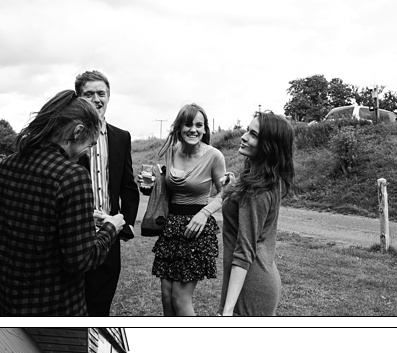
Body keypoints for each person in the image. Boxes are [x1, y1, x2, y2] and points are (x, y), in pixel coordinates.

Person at [0, 90, 126, 315]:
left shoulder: (5, 166)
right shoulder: (71, 176)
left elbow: (30, 224)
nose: (86, 154)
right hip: (52, 309)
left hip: (3, 304)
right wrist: (111, 228)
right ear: (78, 131)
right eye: (89, 144)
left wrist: (81, 219)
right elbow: (81, 261)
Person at [144, 104, 230, 316]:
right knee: (166, 296)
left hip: (197, 228)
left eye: (199, 125)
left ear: (205, 129)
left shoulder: (214, 156)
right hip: (171, 228)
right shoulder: (171, 152)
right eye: (188, 124)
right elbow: (165, 189)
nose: (193, 130)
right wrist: (148, 186)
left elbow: (226, 193)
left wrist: (204, 213)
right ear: (179, 127)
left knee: (180, 298)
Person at [74, 70, 141, 316]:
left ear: (109, 97)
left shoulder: (121, 137)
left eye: (101, 94)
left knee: (101, 306)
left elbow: (128, 184)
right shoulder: (69, 136)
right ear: (78, 98)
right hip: (76, 232)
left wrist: (128, 223)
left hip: (109, 233)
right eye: (89, 94)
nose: (96, 99)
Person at [219, 112, 294, 316]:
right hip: (253, 278)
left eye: (253, 134)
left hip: (250, 285)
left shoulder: (257, 191)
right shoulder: (264, 180)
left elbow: (244, 251)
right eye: (247, 130)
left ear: (269, 146)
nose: (244, 137)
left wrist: (227, 311)